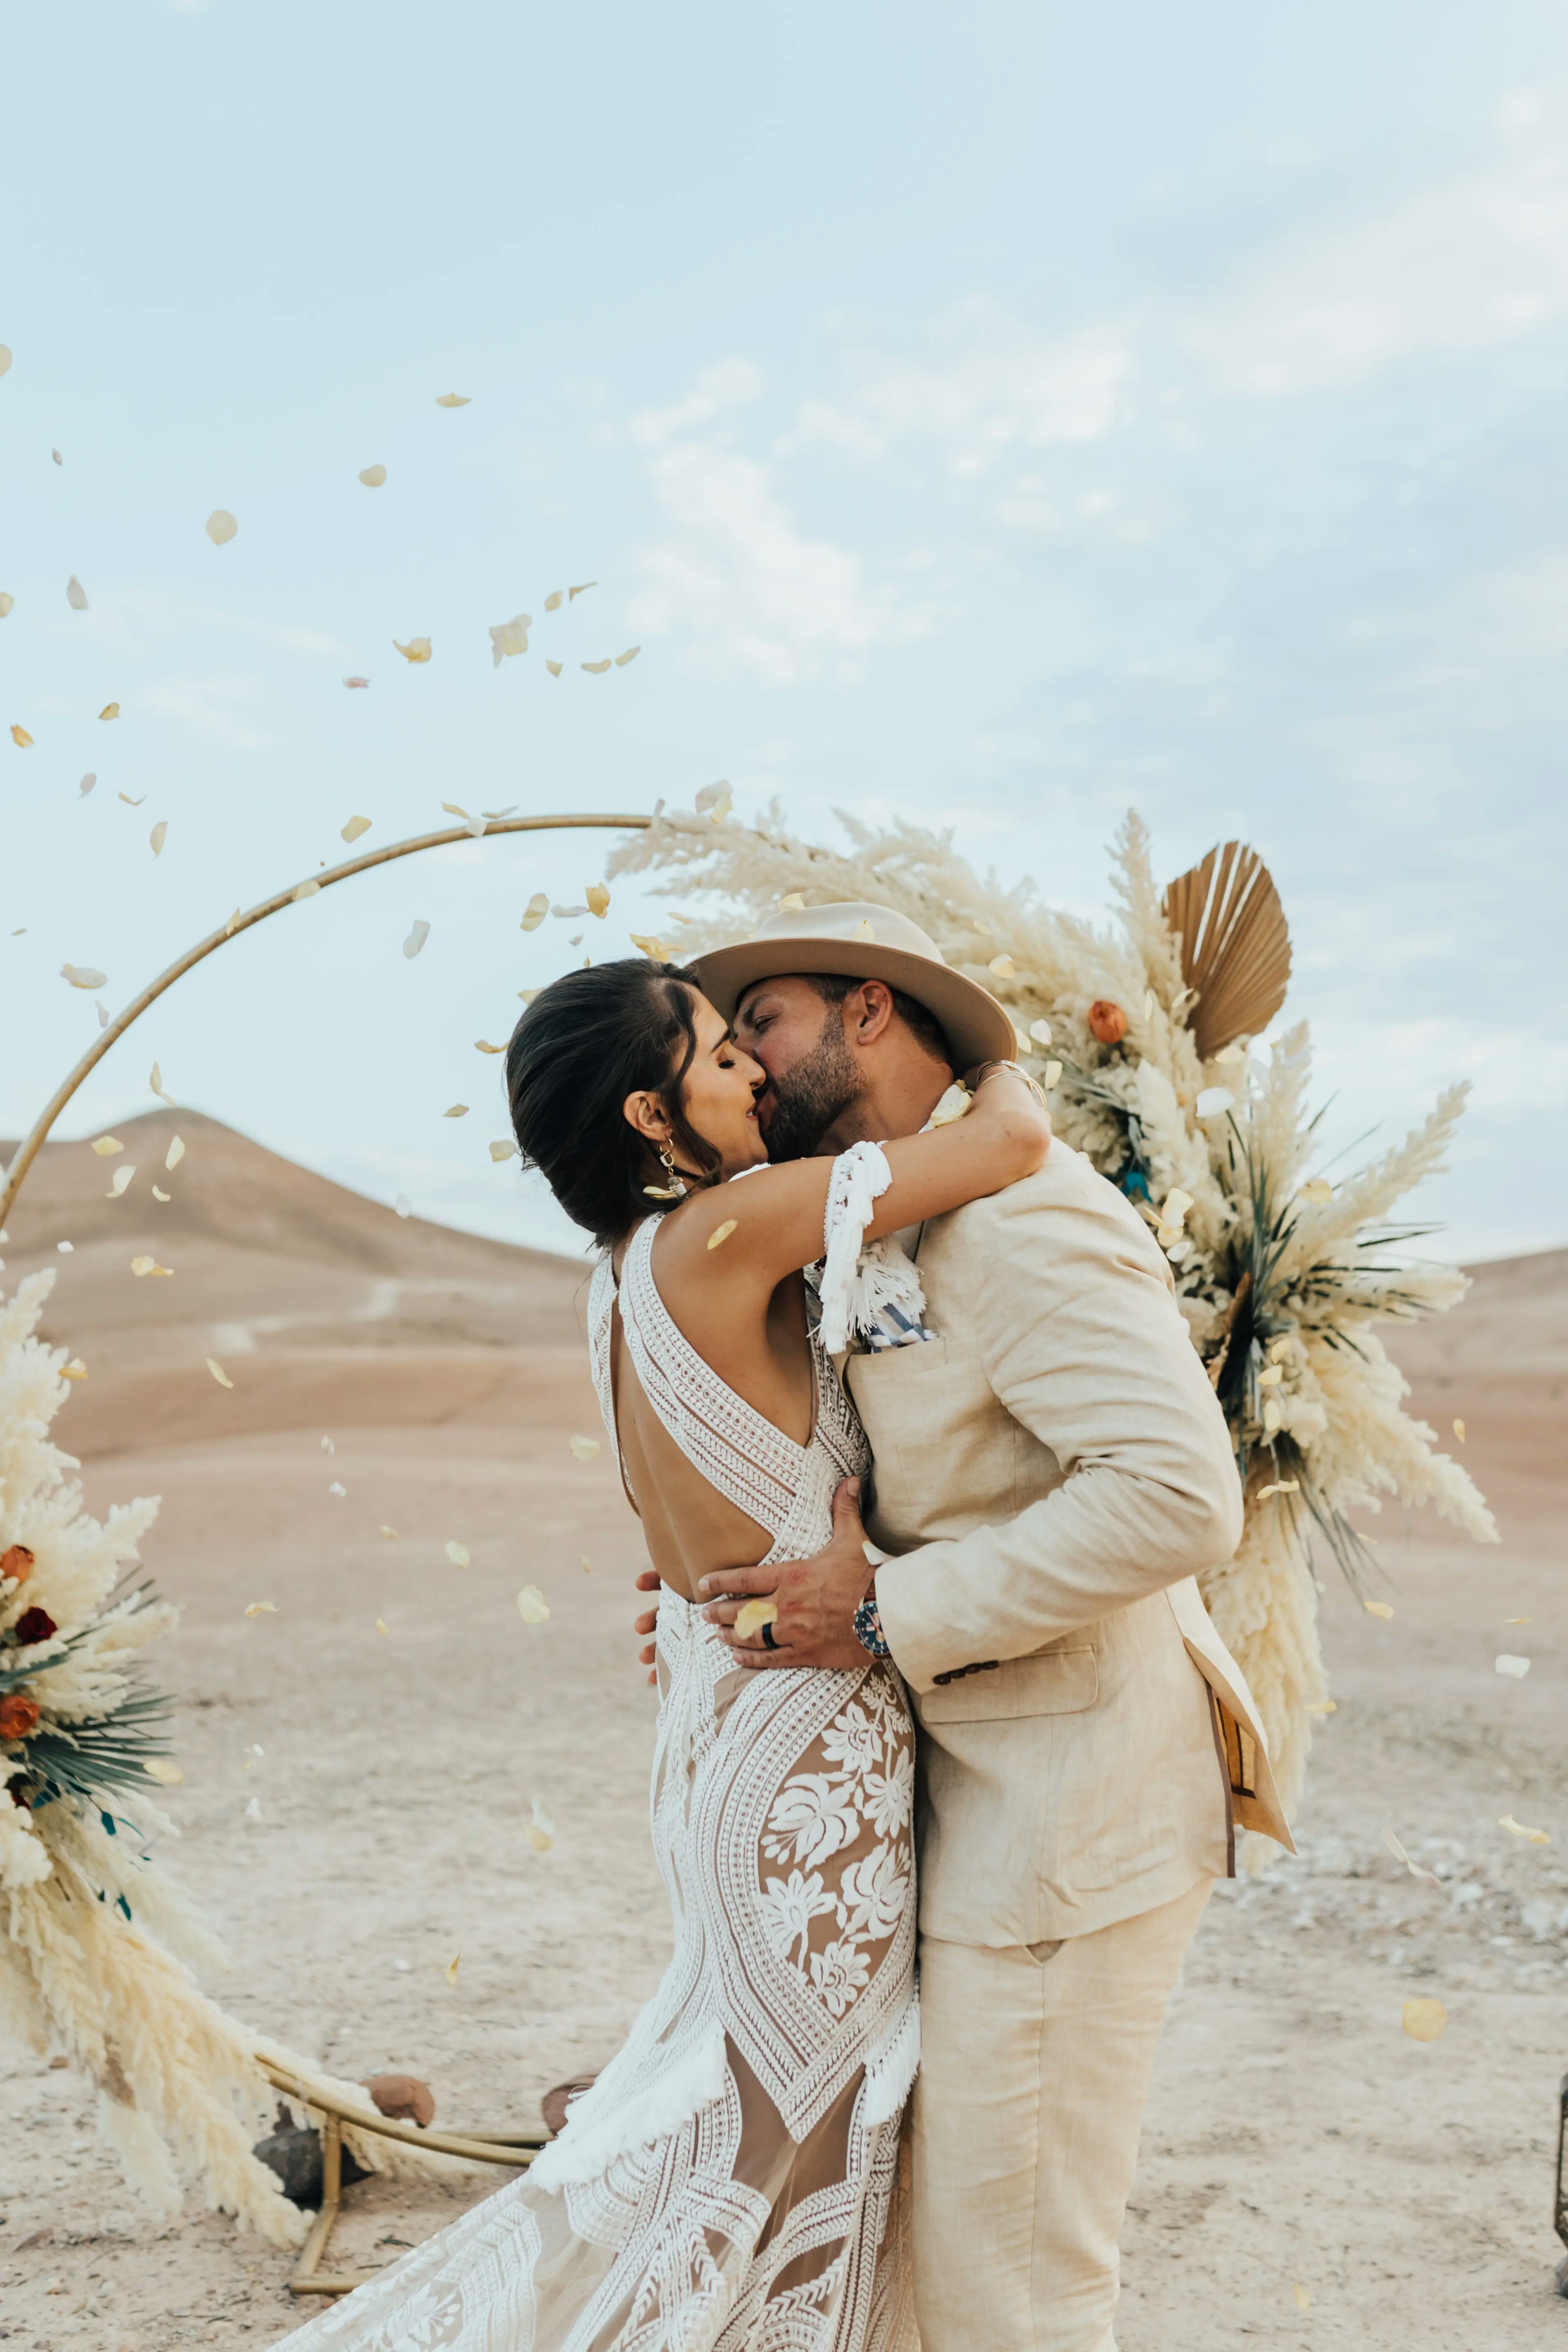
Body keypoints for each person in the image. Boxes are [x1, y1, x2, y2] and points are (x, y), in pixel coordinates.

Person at [273, 949, 1048, 2352]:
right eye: (719, 1051)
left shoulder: (618, 1280)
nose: (754, 1070)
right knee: (784, 2144)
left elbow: (704, 1520)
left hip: (718, 1724)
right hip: (809, 1751)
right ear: (651, 1115)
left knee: (758, 2112)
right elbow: (1011, 1138)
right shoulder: (735, 1230)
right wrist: (1001, 1030)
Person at [677, 899, 1295, 2352]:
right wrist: (754, 1583)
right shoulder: (894, 1219)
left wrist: (883, 1611)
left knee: (1010, 2284)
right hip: (986, 1796)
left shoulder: (1020, 1218)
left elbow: (1175, 1495)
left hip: (1071, 1819)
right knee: (941, 2257)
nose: (752, 1065)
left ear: (871, 1013)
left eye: (765, 1020)